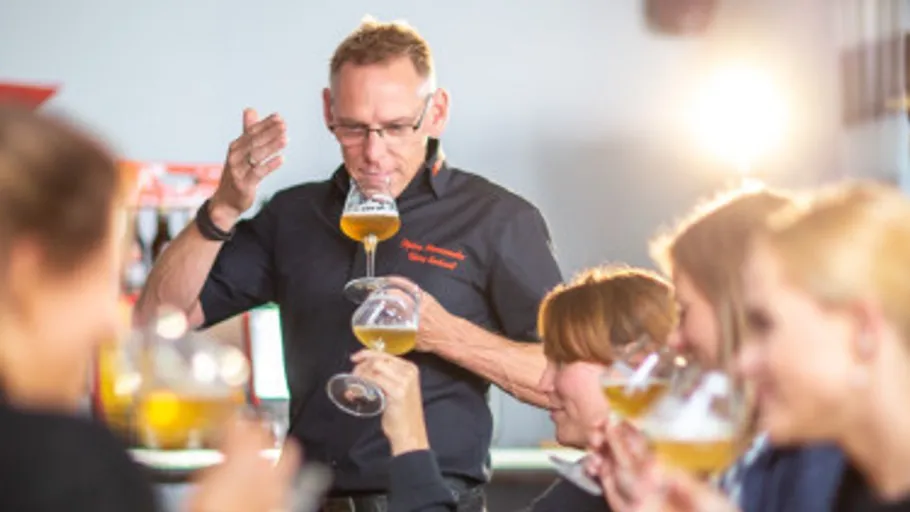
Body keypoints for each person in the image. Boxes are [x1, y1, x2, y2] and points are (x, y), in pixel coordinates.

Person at [136, 17, 562, 509]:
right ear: (328, 111)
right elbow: (158, 318)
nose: (374, 153)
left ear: (437, 112)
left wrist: (443, 333)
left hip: (433, 502)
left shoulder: (498, 219)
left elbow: (562, 380)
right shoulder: (294, 215)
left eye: (397, 127)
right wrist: (225, 207)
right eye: (354, 128)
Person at [0, 107, 299, 511]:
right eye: (101, 281)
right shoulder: (63, 462)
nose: (110, 323)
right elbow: (163, 313)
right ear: (28, 273)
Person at [636, 182, 910, 511]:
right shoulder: (858, 489)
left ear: (863, 330)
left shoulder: (823, 476)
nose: (742, 362)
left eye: (763, 325)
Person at [585, 187, 843, 512]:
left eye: (684, 311)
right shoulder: (756, 449)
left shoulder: (818, 455)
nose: (674, 340)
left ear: (732, 304)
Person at [351, 266, 678, 511]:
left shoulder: (655, 490)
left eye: (562, 362)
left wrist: (409, 437)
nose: (543, 382)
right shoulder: (598, 476)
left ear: (637, 366)